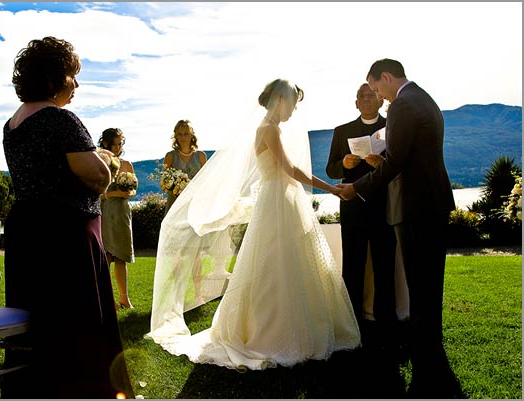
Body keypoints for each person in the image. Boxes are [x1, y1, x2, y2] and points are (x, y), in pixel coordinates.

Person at [146, 79, 360, 370]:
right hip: (277, 202)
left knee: (285, 262)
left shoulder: (269, 127)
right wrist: (331, 188)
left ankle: (294, 323)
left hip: (280, 200)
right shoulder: (269, 129)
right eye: (293, 104)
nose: (293, 111)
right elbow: (290, 169)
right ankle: (274, 331)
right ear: (281, 100)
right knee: (275, 264)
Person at [1, 37, 133, 398]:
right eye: (73, 76)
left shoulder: (11, 125)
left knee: (39, 322)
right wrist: (108, 160)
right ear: (55, 77)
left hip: (28, 232)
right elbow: (96, 178)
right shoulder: (60, 120)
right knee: (78, 322)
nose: (76, 84)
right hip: (67, 234)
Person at [337, 59, 461, 398]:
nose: (378, 95)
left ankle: (426, 366)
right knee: (428, 285)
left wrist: (357, 187)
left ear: (387, 78)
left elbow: (396, 163)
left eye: (377, 89)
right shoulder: (423, 98)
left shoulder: (405, 103)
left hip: (416, 206)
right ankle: (431, 356)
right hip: (429, 204)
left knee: (421, 286)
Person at [326, 83, 397, 342]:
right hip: (353, 208)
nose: (366, 99)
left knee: (384, 266)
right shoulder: (342, 131)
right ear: (356, 103)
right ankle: (352, 323)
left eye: (371, 95)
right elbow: (331, 170)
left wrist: (383, 163)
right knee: (353, 268)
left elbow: (401, 164)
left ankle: (386, 322)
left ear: (379, 100)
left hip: (384, 206)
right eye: (361, 96)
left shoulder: (393, 126)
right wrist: (342, 163)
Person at [98, 128, 136, 309]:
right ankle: (108, 298)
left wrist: (127, 193)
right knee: (105, 256)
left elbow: (133, 189)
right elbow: (97, 193)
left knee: (121, 255)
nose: (119, 146)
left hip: (122, 212)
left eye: (121, 143)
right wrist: (113, 193)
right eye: (116, 143)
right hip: (105, 211)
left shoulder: (127, 164)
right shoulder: (100, 161)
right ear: (106, 143)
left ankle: (124, 297)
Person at [162, 119, 207, 214]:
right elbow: (164, 184)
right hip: (175, 203)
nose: (183, 137)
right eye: (180, 134)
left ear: (192, 135)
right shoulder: (170, 156)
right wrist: (176, 189)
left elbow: (205, 181)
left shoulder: (201, 156)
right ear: (176, 136)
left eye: (186, 133)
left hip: (196, 202)